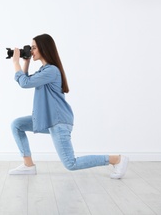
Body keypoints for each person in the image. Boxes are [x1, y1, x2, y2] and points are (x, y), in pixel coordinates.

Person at [9, 34, 128, 179]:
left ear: (44, 48)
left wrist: (15, 62)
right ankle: (28, 166)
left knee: (71, 163)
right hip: (47, 119)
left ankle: (117, 159)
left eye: (34, 48)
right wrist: (25, 62)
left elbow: (24, 83)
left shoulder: (51, 71)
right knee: (17, 125)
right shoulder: (44, 70)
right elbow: (26, 80)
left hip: (58, 122)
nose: (31, 51)